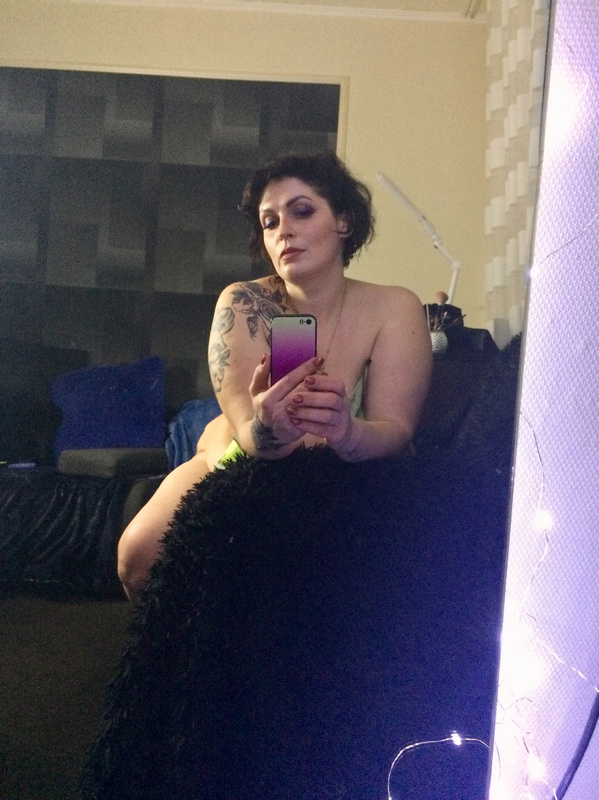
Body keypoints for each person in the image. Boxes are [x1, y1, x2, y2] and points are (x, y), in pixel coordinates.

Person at [117, 151, 432, 602]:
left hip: (343, 468)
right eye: (269, 222)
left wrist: (347, 433)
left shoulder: (394, 308)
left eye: (302, 211)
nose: (283, 230)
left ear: (344, 221)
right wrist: (267, 429)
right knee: (137, 558)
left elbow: (397, 431)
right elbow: (247, 434)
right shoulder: (244, 302)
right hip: (240, 456)